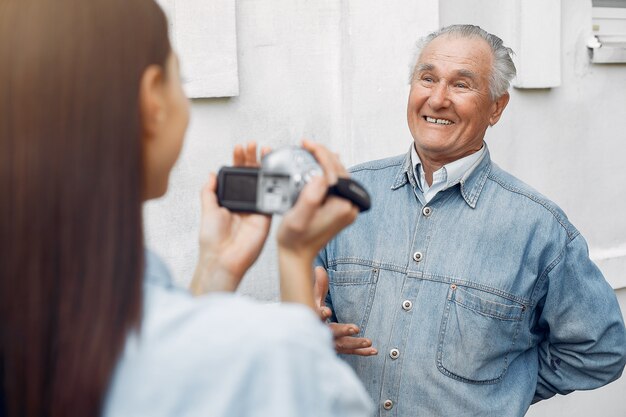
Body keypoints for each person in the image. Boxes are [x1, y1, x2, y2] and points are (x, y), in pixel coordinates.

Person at [0, 1, 373, 416]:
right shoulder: (268, 358)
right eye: (181, 79)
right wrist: (295, 257)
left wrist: (216, 272)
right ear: (152, 98)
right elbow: (310, 393)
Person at [315, 24, 626, 416]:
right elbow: (310, 308)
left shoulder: (538, 229)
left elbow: (601, 350)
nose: (438, 98)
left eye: (462, 85)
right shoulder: (345, 196)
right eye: (427, 78)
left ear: (496, 107)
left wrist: (508, 388)